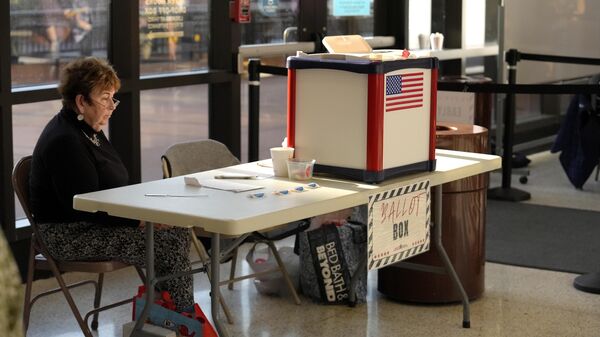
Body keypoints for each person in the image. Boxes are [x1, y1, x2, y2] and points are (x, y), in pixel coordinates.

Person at [29, 57, 194, 312]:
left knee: (176, 231)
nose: (112, 106)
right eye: (105, 98)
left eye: (112, 97)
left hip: (95, 224)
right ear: (81, 101)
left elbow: (112, 184)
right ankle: (182, 317)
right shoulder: (65, 140)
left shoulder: (88, 128)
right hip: (68, 234)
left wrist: (143, 215)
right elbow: (86, 208)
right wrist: (140, 220)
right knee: (168, 242)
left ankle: (165, 313)